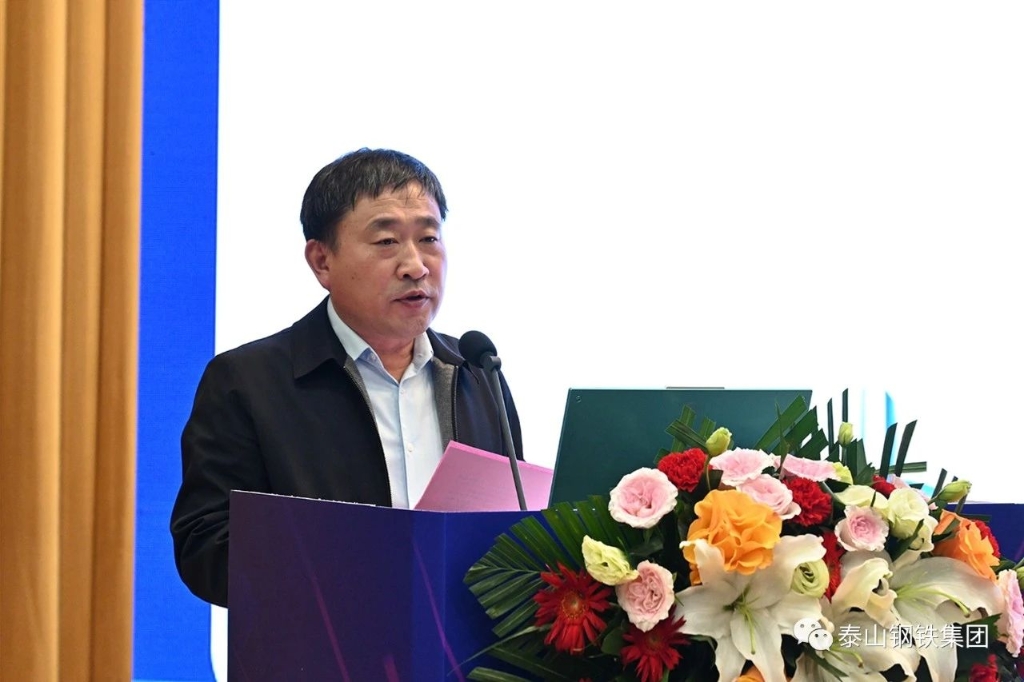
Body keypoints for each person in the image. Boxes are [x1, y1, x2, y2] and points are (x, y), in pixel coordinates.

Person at [170, 148, 523, 607]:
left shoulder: (476, 372)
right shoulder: (248, 382)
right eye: (386, 242)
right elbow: (205, 546)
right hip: (324, 639)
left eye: (429, 238)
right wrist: (345, 564)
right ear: (322, 261)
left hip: (459, 645)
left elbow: (516, 529)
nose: (416, 266)